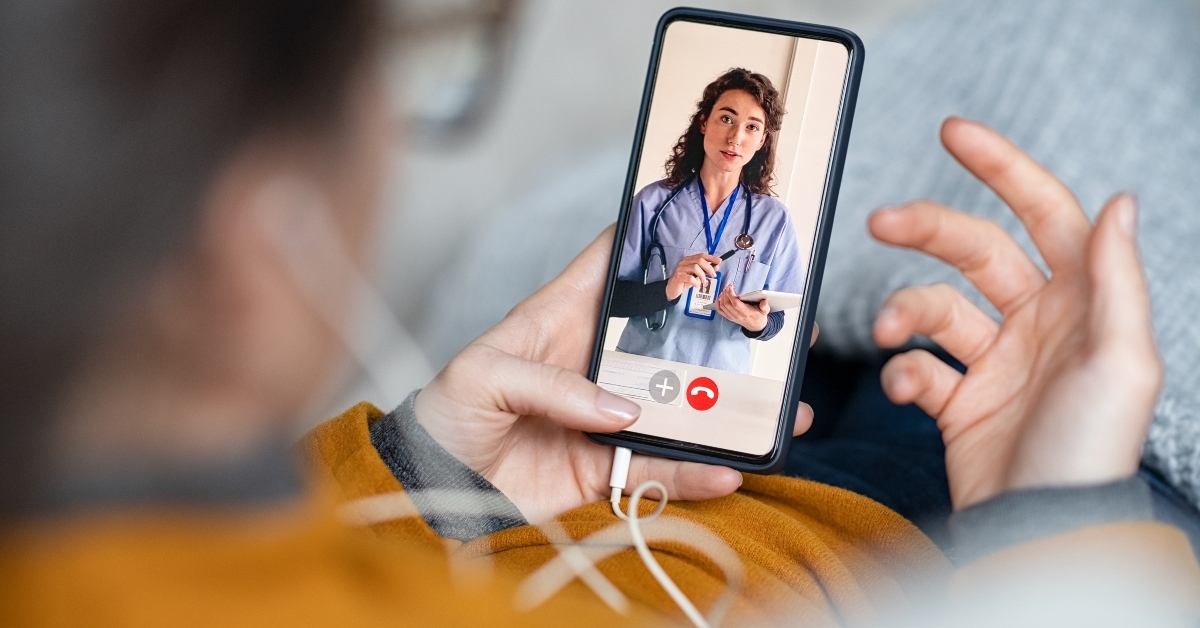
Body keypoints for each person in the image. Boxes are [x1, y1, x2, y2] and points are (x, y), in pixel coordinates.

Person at [2, 1, 1198, 625]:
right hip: (947, 542)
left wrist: (417, 480)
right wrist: (1066, 526)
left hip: (705, 471)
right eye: (406, 76)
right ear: (251, 244)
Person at [610, 68, 805, 374]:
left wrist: (755, 322)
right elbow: (611, 298)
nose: (735, 138)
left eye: (752, 127)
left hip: (720, 381)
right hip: (642, 367)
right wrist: (668, 288)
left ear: (762, 140)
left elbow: (775, 320)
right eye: (726, 118)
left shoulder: (773, 220)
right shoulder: (652, 202)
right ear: (704, 122)